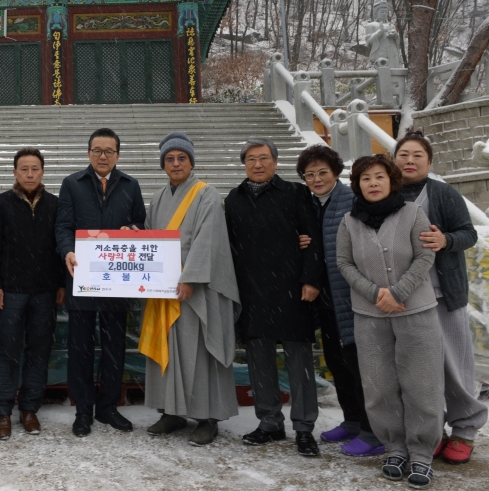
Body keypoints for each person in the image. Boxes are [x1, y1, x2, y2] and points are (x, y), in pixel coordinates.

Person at [337, 154, 441, 489]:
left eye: (379, 177)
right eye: (365, 179)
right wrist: (375, 292)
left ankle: (422, 453)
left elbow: (426, 254)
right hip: (370, 316)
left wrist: (398, 292)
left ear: (391, 180)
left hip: (416, 312)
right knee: (378, 385)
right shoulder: (349, 222)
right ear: (358, 185)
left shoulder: (413, 214)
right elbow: (344, 263)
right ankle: (394, 447)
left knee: (422, 384)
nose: (373, 183)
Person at [223, 137, 322, 457]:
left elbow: (314, 238)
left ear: (276, 162)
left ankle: (304, 427)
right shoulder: (234, 199)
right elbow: (228, 247)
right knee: (259, 360)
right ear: (244, 164)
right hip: (252, 291)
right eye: (251, 159)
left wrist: (310, 280)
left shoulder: (295, 193)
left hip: (293, 290)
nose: (258, 164)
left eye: (264, 158)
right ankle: (269, 422)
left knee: (299, 361)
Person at [141, 133, 240, 446]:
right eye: (169, 159)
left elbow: (207, 240)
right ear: (163, 165)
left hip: (196, 289)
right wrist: (133, 236)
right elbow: (151, 237)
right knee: (169, 351)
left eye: (181, 158)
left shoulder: (206, 193)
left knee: (198, 352)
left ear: (192, 161)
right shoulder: (158, 198)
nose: (175, 164)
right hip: (165, 289)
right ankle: (171, 411)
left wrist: (190, 278)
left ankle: (207, 417)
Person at [395, 131, 486, 465]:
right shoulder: (386, 195)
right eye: (403, 154)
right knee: (419, 370)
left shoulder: (443, 193)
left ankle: (465, 428)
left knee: (455, 365)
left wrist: (445, 240)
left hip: (442, 293)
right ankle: (430, 429)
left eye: (417, 155)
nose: (409, 161)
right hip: (405, 298)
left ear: (428, 161)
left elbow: (469, 233)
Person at [56, 128, 146, 437]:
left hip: (118, 279)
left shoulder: (131, 186)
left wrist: (133, 230)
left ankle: (108, 406)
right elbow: (64, 225)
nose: (103, 156)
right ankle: (83, 410)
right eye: (97, 150)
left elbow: (140, 224)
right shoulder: (72, 184)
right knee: (80, 346)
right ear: (88, 153)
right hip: (82, 276)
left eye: (109, 151)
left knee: (114, 346)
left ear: (118, 155)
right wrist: (67, 250)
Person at [296, 146, 383, 457]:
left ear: (335, 172)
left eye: (323, 172)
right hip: (328, 299)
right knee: (338, 362)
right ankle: (353, 420)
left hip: (353, 297)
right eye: (310, 174)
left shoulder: (351, 201)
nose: (317, 179)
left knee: (362, 367)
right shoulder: (311, 203)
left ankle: (375, 432)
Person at [0, 147, 65, 440]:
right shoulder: (2, 204)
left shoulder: (55, 205)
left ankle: (30, 408)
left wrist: (59, 284)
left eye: (35, 169)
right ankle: (2, 412)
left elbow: (60, 249)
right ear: (15, 172)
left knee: (39, 351)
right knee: (6, 352)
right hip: (10, 292)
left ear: (43, 172)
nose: (30, 174)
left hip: (44, 292)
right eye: (24, 169)